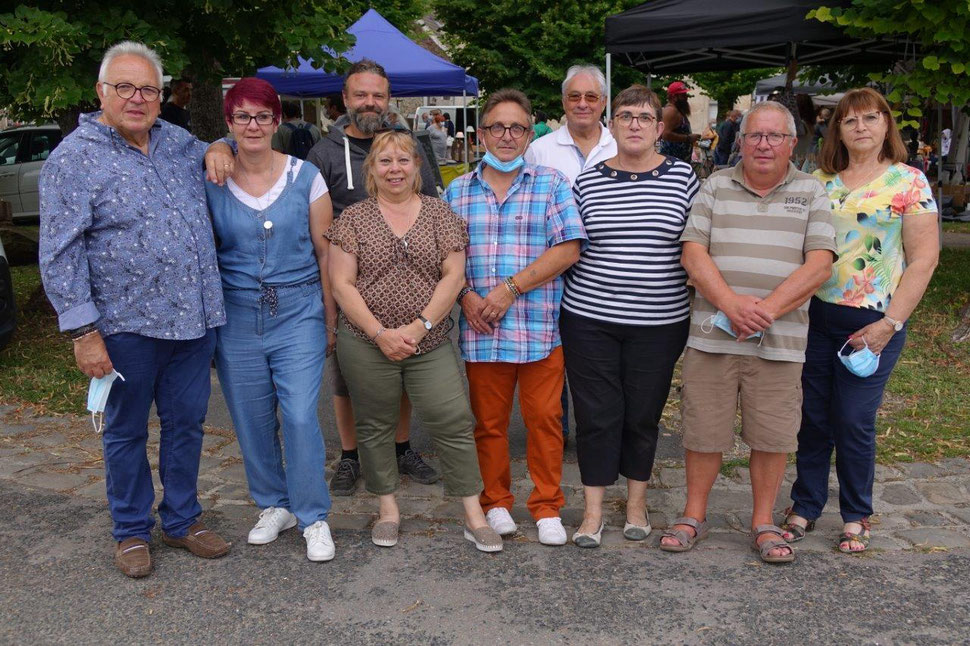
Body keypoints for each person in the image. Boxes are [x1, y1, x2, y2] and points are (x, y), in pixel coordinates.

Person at [38, 41, 235, 578]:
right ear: (101, 92)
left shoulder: (176, 141)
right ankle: (129, 531)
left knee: (187, 425)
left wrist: (219, 143)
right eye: (124, 86)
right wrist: (83, 332)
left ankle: (181, 520)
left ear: (160, 95)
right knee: (126, 432)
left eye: (148, 88)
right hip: (124, 327)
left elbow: (220, 149)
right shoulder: (74, 159)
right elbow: (58, 251)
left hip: (193, 322)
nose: (137, 97)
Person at [660, 101, 837, 564]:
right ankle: (692, 515)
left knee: (772, 436)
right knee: (703, 431)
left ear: (791, 143)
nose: (763, 144)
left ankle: (763, 523)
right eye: (755, 135)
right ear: (741, 140)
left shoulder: (812, 191)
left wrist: (765, 311)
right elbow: (692, 254)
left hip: (781, 341)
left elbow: (820, 263)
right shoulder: (715, 185)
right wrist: (732, 305)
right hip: (712, 335)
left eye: (774, 136)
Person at [327, 130, 502, 553]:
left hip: (430, 341)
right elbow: (341, 283)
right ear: (372, 170)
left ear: (417, 167)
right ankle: (388, 510)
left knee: (453, 419)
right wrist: (380, 334)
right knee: (374, 425)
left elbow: (454, 277)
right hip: (367, 342)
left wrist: (418, 327)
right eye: (384, 161)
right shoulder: (352, 219)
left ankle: (473, 513)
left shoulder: (442, 215)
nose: (394, 169)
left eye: (403, 160)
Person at [781, 88, 939, 554]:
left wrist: (890, 323)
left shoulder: (908, 182)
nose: (861, 127)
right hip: (813, 317)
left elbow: (924, 260)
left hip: (872, 324)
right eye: (850, 121)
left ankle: (855, 514)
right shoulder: (819, 181)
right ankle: (805, 505)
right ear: (838, 131)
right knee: (812, 417)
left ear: (887, 125)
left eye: (871, 118)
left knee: (853, 419)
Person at [444, 89, 587, 546]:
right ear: (482, 133)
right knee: (488, 423)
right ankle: (496, 502)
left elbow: (568, 247)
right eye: (497, 127)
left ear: (530, 134)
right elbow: (444, 258)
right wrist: (465, 295)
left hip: (539, 327)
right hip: (482, 328)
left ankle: (547, 506)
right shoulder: (457, 191)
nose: (507, 136)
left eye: (517, 128)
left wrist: (509, 288)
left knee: (545, 419)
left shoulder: (551, 184)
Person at [204, 78, 336, 563]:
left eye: (263, 116)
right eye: (243, 117)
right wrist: (215, 148)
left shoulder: (305, 177)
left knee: (300, 414)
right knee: (251, 417)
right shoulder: (211, 176)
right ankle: (272, 504)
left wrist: (329, 319)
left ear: (277, 121)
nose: (253, 125)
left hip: (299, 309)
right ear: (229, 123)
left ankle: (313, 514)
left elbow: (326, 254)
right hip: (236, 315)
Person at [562, 85, 698, 548]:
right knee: (596, 415)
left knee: (642, 414)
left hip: (660, 323)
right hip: (589, 318)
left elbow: (697, 248)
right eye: (625, 116)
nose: (635, 124)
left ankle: (636, 503)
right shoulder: (587, 181)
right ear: (612, 125)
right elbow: (571, 246)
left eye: (644, 117)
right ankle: (593, 511)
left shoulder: (684, 180)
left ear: (660, 128)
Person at [305, 59, 440, 496]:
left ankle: (402, 449)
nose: (369, 103)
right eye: (360, 95)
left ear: (388, 99)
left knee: (400, 370)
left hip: (408, 288)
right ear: (345, 99)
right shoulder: (324, 154)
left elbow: (432, 208)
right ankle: (350, 456)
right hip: (349, 291)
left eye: (377, 95)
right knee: (346, 380)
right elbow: (316, 232)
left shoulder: (413, 146)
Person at [525, 64, 617, 441]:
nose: (582, 104)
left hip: (604, 271)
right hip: (552, 267)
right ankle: (556, 431)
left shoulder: (621, 144)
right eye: (574, 96)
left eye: (591, 96)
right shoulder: (539, 149)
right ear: (563, 101)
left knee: (597, 360)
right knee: (552, 354)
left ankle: (597, 430)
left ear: (604, 102)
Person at [659, 80, 700, 162]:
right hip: (672, 161)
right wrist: (688, 138)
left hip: (678, 161)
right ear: (674, 97)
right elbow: (665, 134)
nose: (686, 97)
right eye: (683, 95)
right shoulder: (671, 111)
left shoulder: (677, 110)